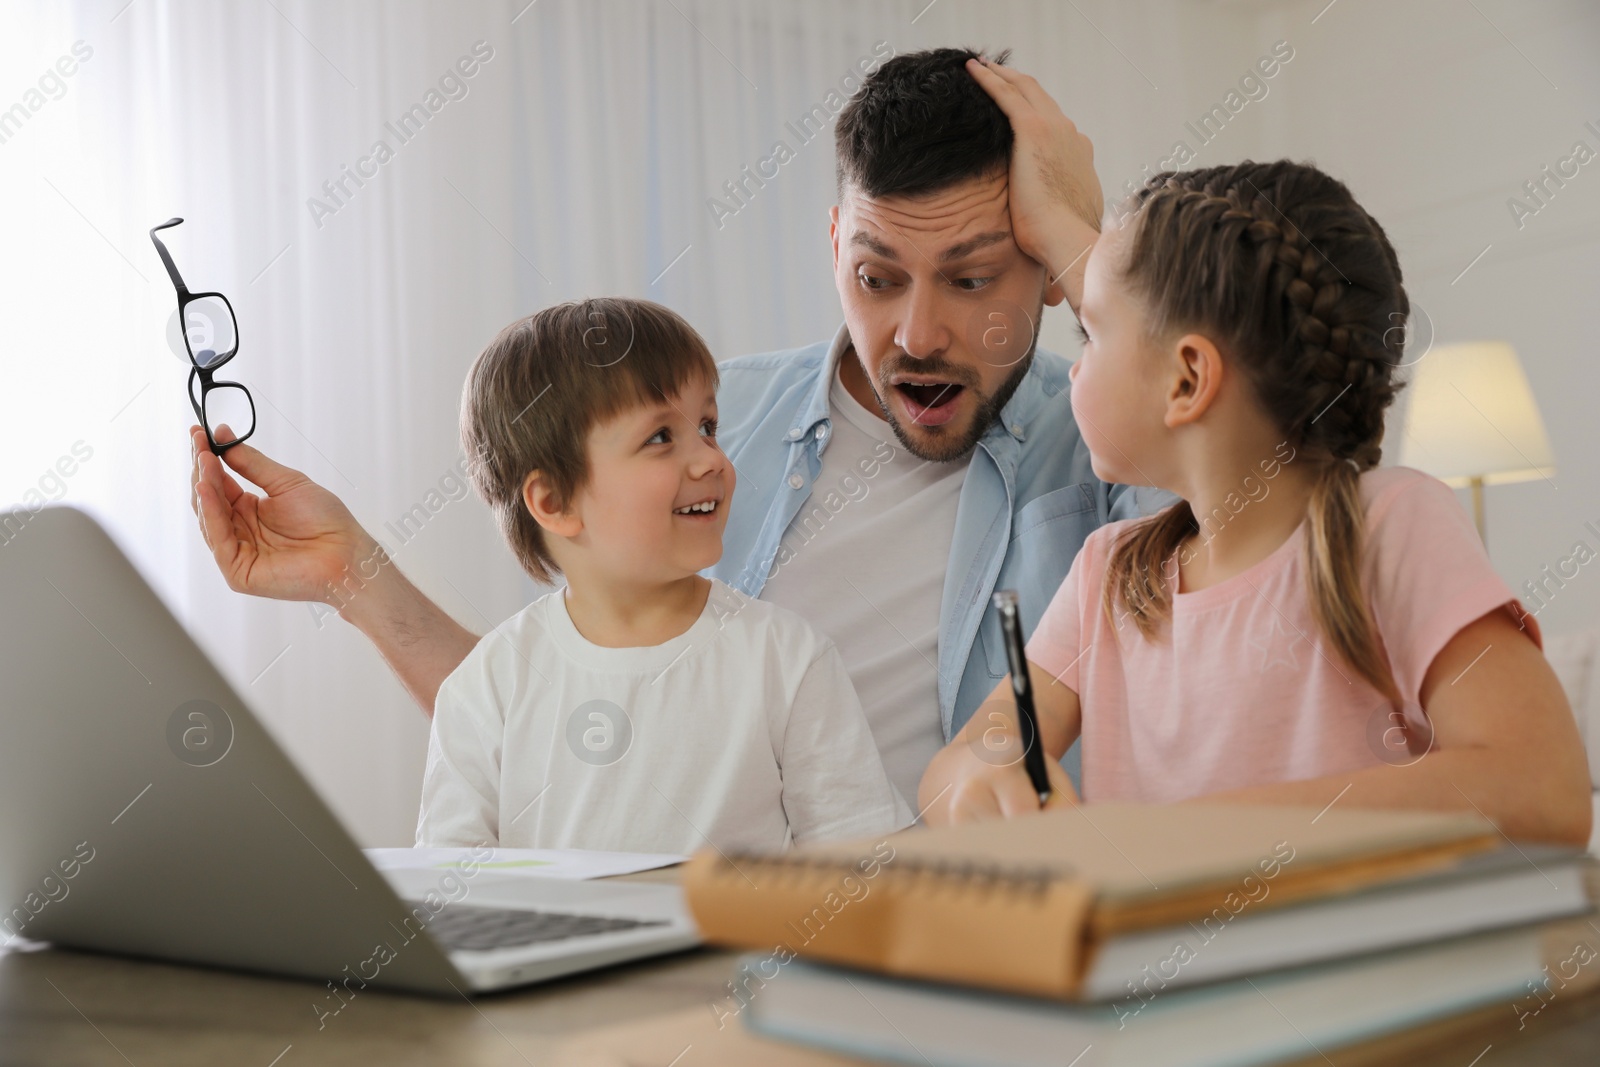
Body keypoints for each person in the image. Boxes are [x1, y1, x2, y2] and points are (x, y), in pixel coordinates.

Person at [189, 47, 1154, 808]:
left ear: (1044, 270)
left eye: (974, 278)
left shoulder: (1119, 442)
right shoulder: (710, 428)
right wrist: (352, 578)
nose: (916, 333)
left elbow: (1246, 558)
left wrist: (1085, 241)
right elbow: (547, 721)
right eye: (877, 276)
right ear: (834, 246)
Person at [918, 60, 1592, 844]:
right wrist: (983, 778)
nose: (1075, 367)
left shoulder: (1386, 525)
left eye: (1092, 333)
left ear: (1189, 378)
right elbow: (955, 770)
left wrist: (1179, 838)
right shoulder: (1109, 575)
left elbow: (1543, 785)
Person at [417, 297, 908, 852]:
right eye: (660, 438)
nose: (711, 461)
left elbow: (861, 862)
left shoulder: (785, 657)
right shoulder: (488, 684)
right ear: (553, 501)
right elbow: (453, 887)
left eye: (707, 426)